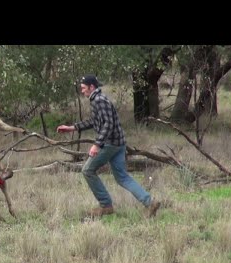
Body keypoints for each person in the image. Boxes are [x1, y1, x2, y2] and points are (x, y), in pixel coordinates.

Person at [57, 74, 160, 219]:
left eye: (84, 88)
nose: (82, 91)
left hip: (110, 144)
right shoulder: (98, 100)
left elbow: (108, 124)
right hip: (119, 144)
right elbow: (95, 121)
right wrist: (72, 128)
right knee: (122, 177)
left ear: (92, 87)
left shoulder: (99, 100)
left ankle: (106, 205)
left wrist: (97, 145)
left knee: (87, 170)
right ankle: (150, 203)